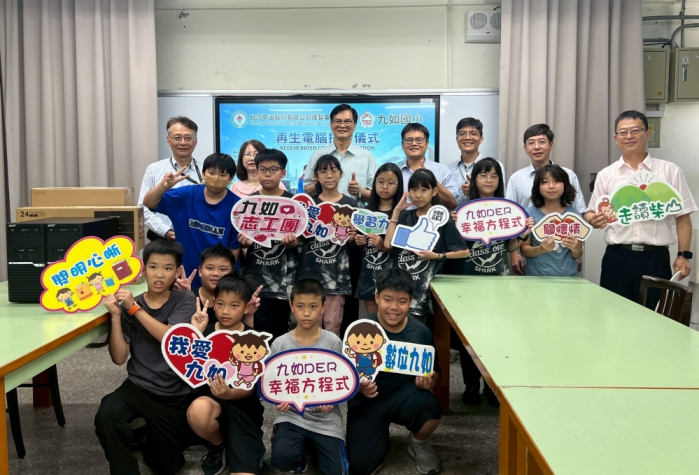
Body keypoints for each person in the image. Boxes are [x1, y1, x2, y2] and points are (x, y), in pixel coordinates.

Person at [95, 240, 197, 475]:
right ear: (143, 269)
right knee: (107, 414)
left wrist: (134, 309)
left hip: (174, 392)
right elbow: (119, 358)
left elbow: (170, 338)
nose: (159, 274)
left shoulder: (184, 299)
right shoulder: (131, 304)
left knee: (166, 465)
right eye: (153, 267)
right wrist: (116, 317)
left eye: (168, 268)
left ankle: (144, 435)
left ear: (177, 272)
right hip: (139, 386)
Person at [585, 110, 697, 308]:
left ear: (647, 133)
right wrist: (592, 219)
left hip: (655, 258)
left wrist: (684, 255)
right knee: (614, 313)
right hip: (617, 257)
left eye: (635, 130)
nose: (629, 136)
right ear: (616, 138)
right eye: (623, 132)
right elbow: (591, 212)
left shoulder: (670, 171)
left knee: (653, 314)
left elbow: (683, 216)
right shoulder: (606, 174)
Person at [346, 267, 443, 475]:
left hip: (405, 395)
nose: (394, 307)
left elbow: (436, 373)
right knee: (361, 466)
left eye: (402, 301)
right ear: (377, 297)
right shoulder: (359, 329)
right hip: (367, 400)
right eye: (387, 299)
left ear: (411, 301)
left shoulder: (420, 332)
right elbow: (344, 375)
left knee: (429, 406)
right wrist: (358, 387)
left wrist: (430, 381)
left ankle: (418, 442)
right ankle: (376, 438)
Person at [457, 158, 533, 407]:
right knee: (469, 337)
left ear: (500, 180)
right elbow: (456, 247)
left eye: (493, 176)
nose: (488, 180)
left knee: (496, 335)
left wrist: (523, 234)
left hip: (498, 283)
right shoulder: (463, 210)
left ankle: (492, 386)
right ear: (474, 180)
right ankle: (470, 384)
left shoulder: (507, 210)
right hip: (469, 282)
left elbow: (510, 247)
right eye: (483, 175)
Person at [187, 275, 266, 475]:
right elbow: (187, 367)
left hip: (243, 409)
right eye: (221, 304)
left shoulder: (254, 339)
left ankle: (250, 447)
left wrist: (229, 394)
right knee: (198, 410)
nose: (225, 311)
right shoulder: (205, 332)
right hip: (211, 401)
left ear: (246, 308)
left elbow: (248, 388)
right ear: (214, 303)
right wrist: (195, 333)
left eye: (234, 305)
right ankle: (217, 445)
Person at [269, 279, 348, 474]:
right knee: (283, 460)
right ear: (291, 306)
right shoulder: (280, 344)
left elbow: (341, 381)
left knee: (337, 472)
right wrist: (278, 400)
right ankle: (298, 453)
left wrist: (332, 400)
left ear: (323, 307)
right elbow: (272, 383)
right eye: (300, 306)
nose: (306, 313)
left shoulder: (333, 342)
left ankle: (313, 446)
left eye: (313, 306)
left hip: (326, 419)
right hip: (292, 416)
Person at [142, 152, 240, 288]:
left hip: (218, 279)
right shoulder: (185, 195)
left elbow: (234, 248)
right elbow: (149, 203)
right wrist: (163, 187)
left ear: (230, 179)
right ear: (203, 173)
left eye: (222, 175)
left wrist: (225, 279)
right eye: (211, 173)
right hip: (184, 275)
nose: (216, 178)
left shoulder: (238, 206)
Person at [384, 169, 470, 323]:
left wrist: (437, 256)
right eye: (414, 189)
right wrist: (396, 211)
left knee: (419, 328)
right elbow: (388, 244)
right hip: (401, 286)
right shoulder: (405, 216)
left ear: (434, 191)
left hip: (425, 289)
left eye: (424, 190)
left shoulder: (442, 220)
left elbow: (464, 252)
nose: (418, 195)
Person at [506, 124, 586, 275]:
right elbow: (511, 217)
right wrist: (514, 252)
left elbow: (579, 212)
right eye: (531, 143)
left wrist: (576, 252)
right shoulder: (516, 178)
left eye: (542, 142)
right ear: (525, 148)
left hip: (565, 263)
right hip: (534, 262)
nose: (537, 147)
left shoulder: (568, 175)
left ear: (551, 145)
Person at [238, 149, 299, 339]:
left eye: (273, 169)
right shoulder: (249, 203)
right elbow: (241, 235)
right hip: (256, 277)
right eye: (263, 169)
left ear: (283, 172)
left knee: (281, 331)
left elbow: (304, 239)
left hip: (285, 280)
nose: (267, 174)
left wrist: (295, 242)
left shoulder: (294, 203)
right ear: (256, 171)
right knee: (257, 331)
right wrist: (244, 242)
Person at [296, 155, 357, 337]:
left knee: (332, 327)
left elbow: (356, 241)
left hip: (337, 277)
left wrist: (353, 237)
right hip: (310, 274)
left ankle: (330, 356)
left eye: (333, 171)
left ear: (341, 174)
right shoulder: (309, 205)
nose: (329, 175)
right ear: (316, 176)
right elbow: (300, 237)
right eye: (323, 171)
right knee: (308, 325)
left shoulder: (350, 204)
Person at [138, 116, 202, 242]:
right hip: (162, 239)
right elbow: (143, 209)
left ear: (195, 141)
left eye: (188, 138)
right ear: (168, 140)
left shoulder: (205, 171)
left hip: (196, 238)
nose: (183, 142)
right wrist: (165, 231)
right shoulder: (154, 169)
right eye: (177, 138)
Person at [303, 104, 377, 203]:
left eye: (347, 121)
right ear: (331, 125)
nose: (342, 125)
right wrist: (318, 185)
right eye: (338, 121)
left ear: (355, 125)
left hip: (354, 212)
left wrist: (359, 191)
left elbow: (377, 196)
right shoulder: (317, 155)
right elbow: (307, 191)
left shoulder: (367, 157)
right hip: (323, 212)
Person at [354, 163, 403, 315]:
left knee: (392, 316)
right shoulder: (365, 213)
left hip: (393, 275)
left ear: (399, 186)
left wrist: (384, 247)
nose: (385, 186)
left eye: (391, 183)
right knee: (372, 319)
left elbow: (405, 251)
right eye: (380, 182)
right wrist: (359, 242)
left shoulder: (403, 215)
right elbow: (357, 246)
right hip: (368, 273)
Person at [520, 165, 584, 276]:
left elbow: (577, 254)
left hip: (568, 278)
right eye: (544, 182)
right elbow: (524, 250)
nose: (551, 186)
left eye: (557, 181)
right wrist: (541, 249)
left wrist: (575, 248)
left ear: (565, 184)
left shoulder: (574, 215)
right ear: (538, 187)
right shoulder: (529, 214)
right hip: (536, 278)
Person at [447, 118, 506, 205]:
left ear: (481, 138)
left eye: (473, 133)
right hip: (456, 214)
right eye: (462, 133)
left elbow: (501, 197)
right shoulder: (448, 169)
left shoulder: (495, 166)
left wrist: (477, 191)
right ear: (457, 139)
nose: (467, 137)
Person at [398, 123, 458, 210]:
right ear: (402, 145)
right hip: (401, 218)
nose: (414, 143)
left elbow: (452, 204)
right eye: (409, 140)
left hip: (433, 218)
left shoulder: (443, 171)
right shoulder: (394, 172)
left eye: (419, 140)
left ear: (427, 144)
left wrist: (430, 178)